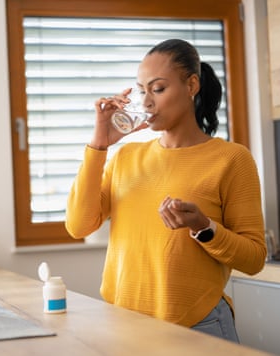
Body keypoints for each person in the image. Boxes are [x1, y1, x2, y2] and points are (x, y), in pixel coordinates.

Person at [65, 39, 266, 342]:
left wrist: (203, 227)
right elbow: (79, 225)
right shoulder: (125, 158)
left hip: (197, 326)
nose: (146, 102)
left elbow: (254, 259)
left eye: (158, 89)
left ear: (192, 85)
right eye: (142, 90)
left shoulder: (231, 159)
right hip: (124, 326)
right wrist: (99, 144)